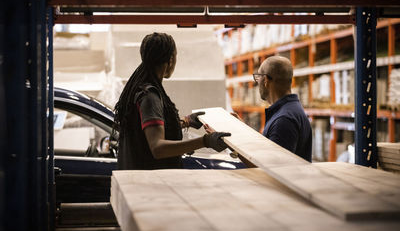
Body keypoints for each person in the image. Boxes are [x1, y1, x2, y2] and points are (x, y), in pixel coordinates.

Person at [113, 32, 230, 170]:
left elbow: (149, 130)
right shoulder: (150, 96)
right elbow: (158, 148)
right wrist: (205, 141)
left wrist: (186, 121)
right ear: (170, 60)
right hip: (151, 185)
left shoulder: (139, 88)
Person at [253, 55, 312, 162]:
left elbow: (273, 167)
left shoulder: (283, 120)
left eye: (258, 77)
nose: (257, 82)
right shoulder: (290, 111)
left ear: (265, 80)